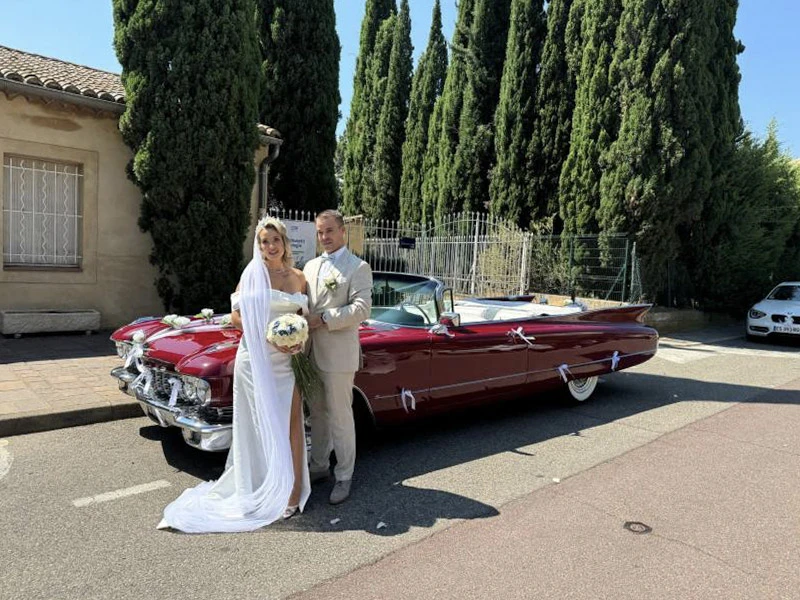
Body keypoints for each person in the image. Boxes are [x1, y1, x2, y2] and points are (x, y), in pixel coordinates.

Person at [157, 216, 310, 532]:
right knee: (255, 426)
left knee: (291, 424)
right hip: (255, 358)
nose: (270, 246)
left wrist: (297, 340)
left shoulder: (298, 277)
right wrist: (267, 335)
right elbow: (236, 317)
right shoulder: (251, 275)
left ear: (284, 242)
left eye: (275, 240)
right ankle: (257, 488)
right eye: (264, 241)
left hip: (287, 362)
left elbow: (301, 318)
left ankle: (291, 493)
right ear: (259, 245)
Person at [303, 209, 373, 505]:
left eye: (330, 231)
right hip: (309, 353)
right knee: (316, 413)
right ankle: (319, 466)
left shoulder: (358, 266)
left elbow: (362, 309)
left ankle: (344, 475)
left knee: (341, 417)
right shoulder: (309, 266)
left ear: (343, 231)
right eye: (320, 232)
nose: (325, 237)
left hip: (339, 356)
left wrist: (325, 319)